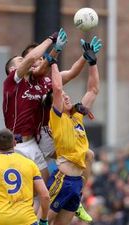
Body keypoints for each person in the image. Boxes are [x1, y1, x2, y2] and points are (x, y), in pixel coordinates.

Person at [2, 28, 67, 182]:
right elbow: (31, 59)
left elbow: (42, 67)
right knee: (22, 190)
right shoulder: (12, 82)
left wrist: (56, 51)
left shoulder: (32, 83)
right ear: (13, 69)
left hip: (33, 143)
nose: (25, 62)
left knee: (44, 187)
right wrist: (51, 39)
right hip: (17, 146)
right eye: (20, 61)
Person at [46, 39, 99, 225]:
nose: (66, 96)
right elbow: (58, 88)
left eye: (68, 95)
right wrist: (53, 61)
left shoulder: (76, 116)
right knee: (41, 222)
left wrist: (92, 63)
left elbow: (93, 90)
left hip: (76, 184)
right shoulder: (57, 118)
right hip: (62, 180)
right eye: (62, 97)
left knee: (89, 154)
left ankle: (79, 203)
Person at [0, 128, 50, 225]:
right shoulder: (30, 164)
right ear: (14, 143)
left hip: (1, 220)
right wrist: (43, 219)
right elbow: (45, 196)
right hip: (26, 220)